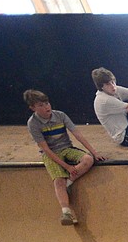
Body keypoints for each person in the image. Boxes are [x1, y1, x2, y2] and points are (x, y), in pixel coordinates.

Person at [24, 89, 105, 226]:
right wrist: (67, 166)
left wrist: (94, 152)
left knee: (88, 159)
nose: (46, 107)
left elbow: (77, 134)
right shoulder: (33, 123)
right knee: (58, 181)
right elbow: (45, 149)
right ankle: (66, 211)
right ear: (33, 108)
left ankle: (69, 183)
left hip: (66, 148)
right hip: (51, 154)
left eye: (47, 103)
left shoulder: (60, 115)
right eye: (41, 105)